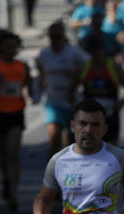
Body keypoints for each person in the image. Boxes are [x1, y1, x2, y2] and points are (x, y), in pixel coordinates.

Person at [0, 32, 32, 212]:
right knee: (1, 156)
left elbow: (30, 86)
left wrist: (35, 92)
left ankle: (13, 194)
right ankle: (6, 180)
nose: (11, 50)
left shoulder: (22, 66)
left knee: (12, 154)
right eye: (7, 47)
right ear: (1, 48)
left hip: (16, 114)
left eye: (14, 47)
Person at [37, 22, 88, 159]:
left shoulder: (74, 52)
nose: (56, 40)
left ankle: (70, 171)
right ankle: (52, 174)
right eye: (53, 37)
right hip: (53, 100)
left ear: (63, 36)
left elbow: (88, 66)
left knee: (71, 141)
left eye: (59, 36)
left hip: (71, 100)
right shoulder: (44, 54)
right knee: (54, 138)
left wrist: (77, 75)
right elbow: (41, 72)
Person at [80, 36, 124, 145]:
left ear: (104, 50)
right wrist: (76, 107)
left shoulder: (113, 67)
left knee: (110, 151)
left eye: (99, 50)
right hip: (89, 120)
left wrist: (121, 104)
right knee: (91, 151)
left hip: (109, 117)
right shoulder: (85, 67)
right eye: (94, 50)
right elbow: (70, 90)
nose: (97, 54)